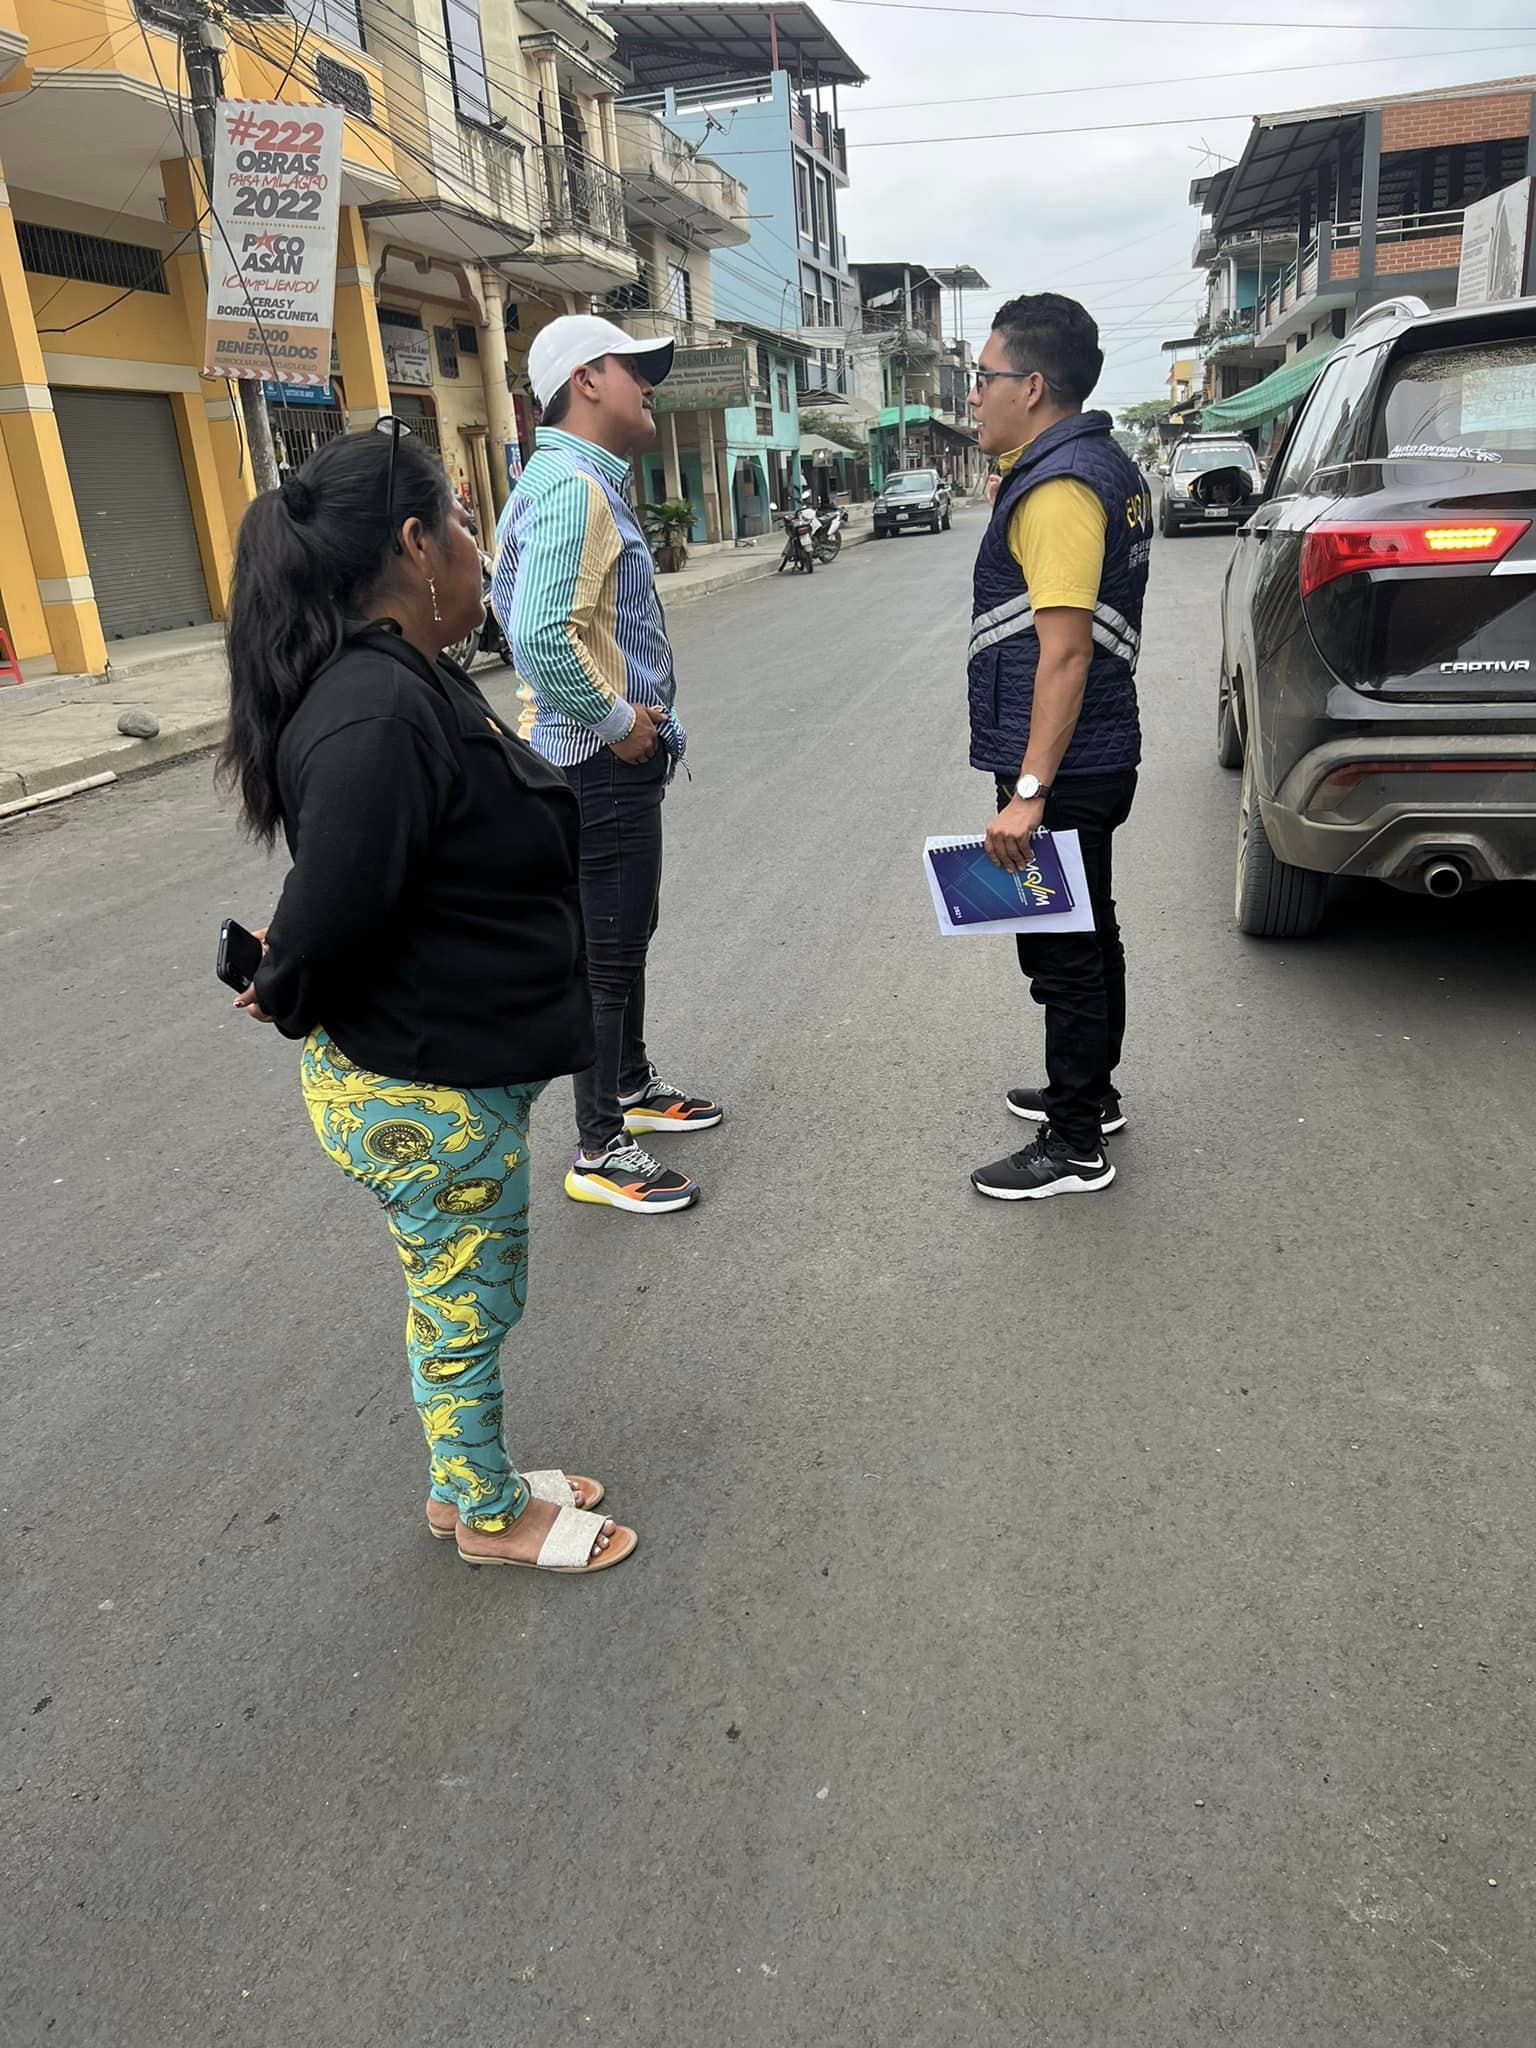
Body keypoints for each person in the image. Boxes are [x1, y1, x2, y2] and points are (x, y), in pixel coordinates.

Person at [219, 423, 635, 1575]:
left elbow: (364, 868)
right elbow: (335, 889)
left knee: (462, 1291)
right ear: (413, 542)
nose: (475, 546)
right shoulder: (376, 707)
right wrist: (286, 974)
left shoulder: (395, 680)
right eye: (459, 520)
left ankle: (467, 1482)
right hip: (421, 1087)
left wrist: (292, 959)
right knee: (465, 1302)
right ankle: (490, 1516)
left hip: (440, 1065)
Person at [493, 314, 722, 1218]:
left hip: (591, 757)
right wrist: (619, 719)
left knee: (626, 929)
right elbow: (538, 633)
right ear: (586, 380)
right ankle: (599, 1145)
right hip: (597, 760)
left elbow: (513, 606)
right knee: (608, 950)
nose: (649, 383)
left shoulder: (558, 479)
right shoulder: (574, 489)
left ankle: (628, 1082)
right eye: (634, 368)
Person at [964, 293, 1152, 1202]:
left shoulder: (1061, 487)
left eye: (983, 377)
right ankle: (1092, 1096)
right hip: (1093, 751)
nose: (973, 395)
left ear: (1032, 387)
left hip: (1066, 764)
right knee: (1088, 930)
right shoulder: (1089, 464)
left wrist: (1029, 790)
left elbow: (1066, 652)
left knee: (1063, 949)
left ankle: (1074, 1143)